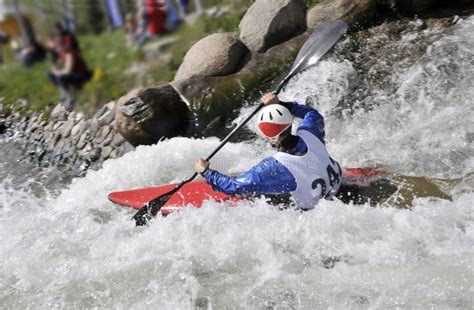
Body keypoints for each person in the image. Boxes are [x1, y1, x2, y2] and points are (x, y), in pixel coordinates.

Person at [194, 93, 343, 210]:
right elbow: (311, 113)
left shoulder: (274, 166)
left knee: (255, 192)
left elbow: (235, 187)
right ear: (289, 123)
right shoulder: (309, 131)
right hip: (339, 187)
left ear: (270, 138)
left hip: (314, 210)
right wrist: (281, 104)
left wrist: (207, 172)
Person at [47, 38, 92, 111]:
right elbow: (57, 65)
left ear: (62, 46)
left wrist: (57, 72)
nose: (56, 50)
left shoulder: (69, 54)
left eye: (57, 47)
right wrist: (54, 67)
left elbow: (68, 70)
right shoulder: (63, 54)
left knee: (61, 77)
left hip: (83, 76)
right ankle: (63, 92)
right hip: (75, 75)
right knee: (50, 73)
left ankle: (70, 99)